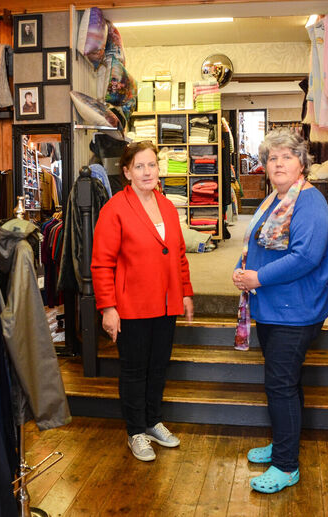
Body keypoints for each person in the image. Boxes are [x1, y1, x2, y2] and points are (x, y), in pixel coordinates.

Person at [232, 128, 328, 493]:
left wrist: (256, 277)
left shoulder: (308, 201)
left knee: (280, 386)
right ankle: (283, 444)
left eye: (286, 157)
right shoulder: (278, 197)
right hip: (277, 308)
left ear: (302, 162)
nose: (278, 163)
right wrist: (244, 271)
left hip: (295, 310)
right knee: (285, 385)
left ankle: (287, 465)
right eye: (272, 158)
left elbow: (305, 256)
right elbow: (262, 244)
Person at [91, 140, 194, 462]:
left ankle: (152, 421)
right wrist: (108, 308)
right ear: (127, 172)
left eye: (152, 165)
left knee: (158, 367)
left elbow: (178, 254)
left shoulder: (166, 205)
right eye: (140, 166)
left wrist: (186, 292)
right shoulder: (115, 209)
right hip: (131, 305)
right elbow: (101, 263)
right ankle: (135, 431)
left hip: (166, 303)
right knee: (134, 370)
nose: (147, 171)